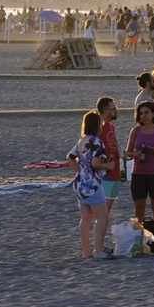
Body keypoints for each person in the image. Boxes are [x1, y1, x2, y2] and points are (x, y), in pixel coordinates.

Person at [67, 110, 112, 258]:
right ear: (97, 125)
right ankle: (98, 250)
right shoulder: (96, 142)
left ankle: (87, 250)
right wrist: (108, 166)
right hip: (92, 185)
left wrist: (79, 171)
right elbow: (96, 163)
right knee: (102, 217)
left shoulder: (82, 141)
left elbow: (70, 157)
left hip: (80, 184)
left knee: (85, 217)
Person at [125, 102, 154, 225]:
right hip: (139, 174)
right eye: (141, 113)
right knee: (139, 208)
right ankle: (139, 233)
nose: (143, 116)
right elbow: (128, 152)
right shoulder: (135, 131)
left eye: (146, 113)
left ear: (153, 114)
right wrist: (136, 154)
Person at [94, 97, 123, 243]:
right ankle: (98, 245)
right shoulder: (98, 128)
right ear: (105, 111)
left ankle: (99, 243)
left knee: (106, 212)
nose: (115, 110)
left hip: (114, 174)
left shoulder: (110, 126)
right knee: (103, 214)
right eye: (113, 108)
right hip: (105, 175)